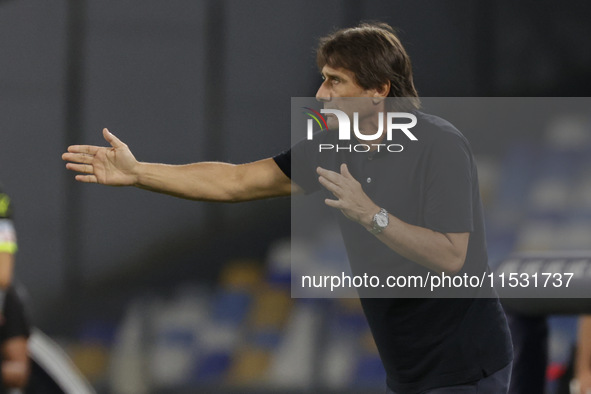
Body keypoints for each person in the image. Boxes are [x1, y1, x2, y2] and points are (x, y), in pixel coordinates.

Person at [62, 22, 513, 393]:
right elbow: (238, 182)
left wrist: (370, 214)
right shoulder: (334, 145)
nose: (321, 94)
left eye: (336, 81)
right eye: (323, 77)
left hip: (466, 367)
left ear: (378, 90)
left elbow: (453, 256)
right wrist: (140, 172)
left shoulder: (440, 146)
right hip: (408, 371)